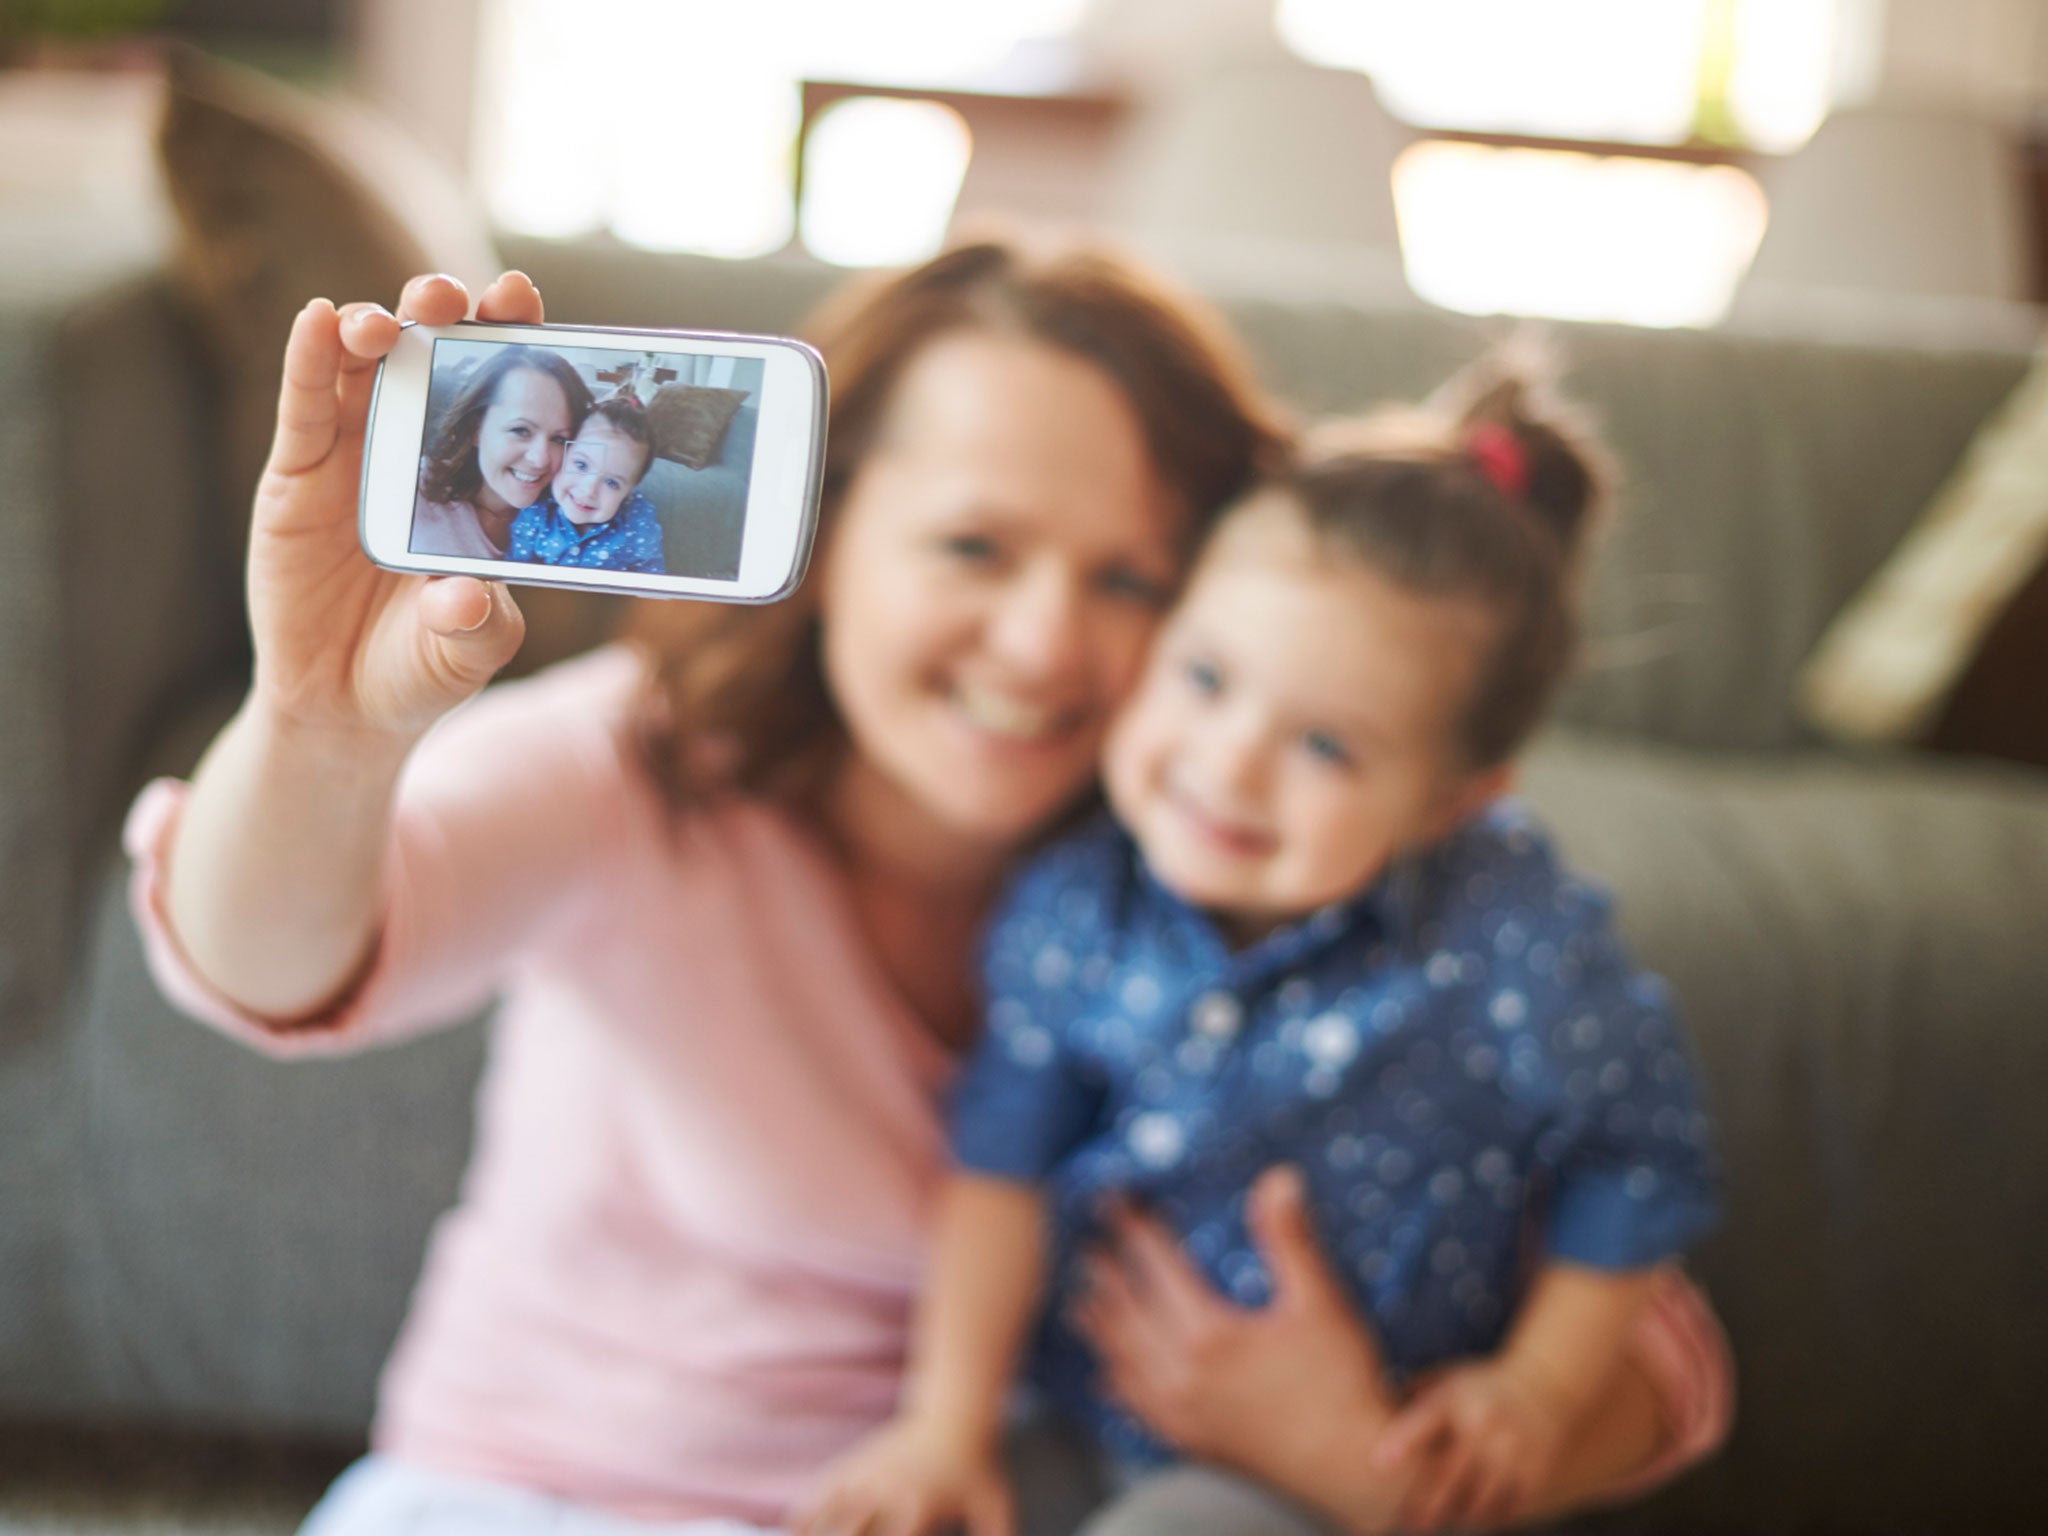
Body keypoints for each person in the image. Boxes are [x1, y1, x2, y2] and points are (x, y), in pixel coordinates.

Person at [127, 242, 1728, 1536]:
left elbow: (1654, 1359)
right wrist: (319, 730)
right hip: (543, 1497)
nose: (1043, 646)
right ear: (827, 541)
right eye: (974, 548)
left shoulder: (1234, 878)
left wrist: (1359, 1456)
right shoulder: (632, 769)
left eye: (1131, 581)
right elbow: (267, 964)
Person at [799, 354, 1725, 1536]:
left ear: (1455, 799)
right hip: (1080, 1420)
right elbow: (999, 1172)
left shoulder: (1514, 945)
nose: (1225, 763)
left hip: (1323, 1471)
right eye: (1203, 678)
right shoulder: (1079, 905)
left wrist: (1534, 1391)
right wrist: (944, 1424)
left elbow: (1637, 1163)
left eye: (1326, 748)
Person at [409, 343, 592, 558]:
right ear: (475, 428)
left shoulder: (574, 516)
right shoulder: (415, 488)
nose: (540, 459)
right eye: (521, 430)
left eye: (559, 439)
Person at [508, 395, 668, 574]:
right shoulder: (536, 513)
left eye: (611, 482)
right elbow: (516, 575)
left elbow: (651, 581)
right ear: (564, 453)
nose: (589, 490)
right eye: (581, 465)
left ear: (630, 490)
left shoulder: (637, 522)